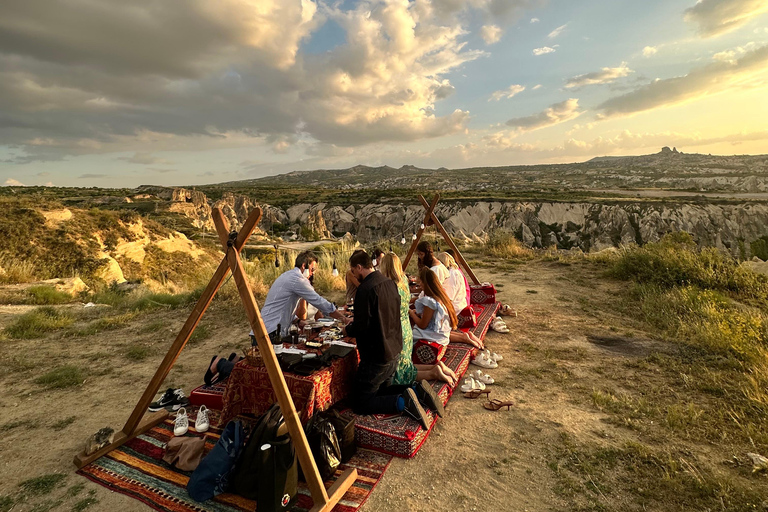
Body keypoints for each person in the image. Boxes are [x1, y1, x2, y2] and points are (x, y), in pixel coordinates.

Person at [343, 251, 443, 427]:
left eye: (353, 270)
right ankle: (416, 391)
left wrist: (347, 329)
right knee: (382, 390)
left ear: (359, 267)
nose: (353, 274)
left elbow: (361, 326)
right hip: (395, 349)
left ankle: (403, 403)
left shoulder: (365, 290)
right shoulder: (389, 283)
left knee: (360, 402)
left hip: (376, 356)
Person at [380, 253, 458, 387]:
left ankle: (432, 373)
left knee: (400, 371)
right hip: (406, 328)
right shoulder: (403, 280)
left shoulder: (389, 285)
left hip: (397, 329)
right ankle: (435, 367)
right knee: (406, 363)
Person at [260, 251, 349, 338]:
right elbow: (318, 301)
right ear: (304, 266)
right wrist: (344, 319)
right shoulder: (298, 279)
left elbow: (283, 307)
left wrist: (298, 321)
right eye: (312, 269)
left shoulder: (287, 275)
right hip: (271, 331)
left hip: (265, 328)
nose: (313, 273)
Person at [409, 267, 456, 346]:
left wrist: (411, 313)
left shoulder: (430, 302)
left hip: (435, 337)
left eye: (421, 282)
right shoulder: (441, 296)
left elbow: (422, 325)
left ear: (426, 283)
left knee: (407, 335)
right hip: (442, 334)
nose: (419, 284)